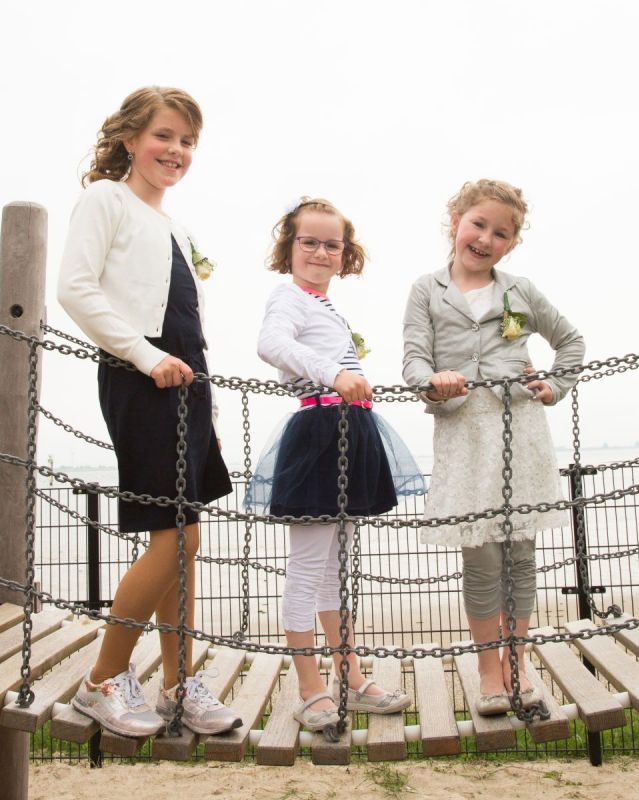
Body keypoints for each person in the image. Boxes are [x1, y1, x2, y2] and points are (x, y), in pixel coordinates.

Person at [57, 86, 239, 738]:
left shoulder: (176, 228)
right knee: (179, 537)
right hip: (142, 380)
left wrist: (205, 407)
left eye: (187, 141)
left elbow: (187, 321)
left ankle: (178, 684)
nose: (176, 150)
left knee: (184, 540)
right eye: (164, 135)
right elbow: (74, 289)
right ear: (130, 139)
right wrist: (142, 354)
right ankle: (103, 678)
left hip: (187, 386)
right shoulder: (105, 199)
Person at [402, 179, 585, 715]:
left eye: (499, 233)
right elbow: (412, 360)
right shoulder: (425, 289)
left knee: (521, 558)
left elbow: (571, 342)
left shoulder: (521, 290)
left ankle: (518, 664)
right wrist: (433, 380)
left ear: (511, 244)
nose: (485, 238)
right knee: (481, 559)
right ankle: (488, 671)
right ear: (455, 219)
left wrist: (554, 387)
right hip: (463, 434)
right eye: (478, 224)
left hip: (520, 431)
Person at [246, 198, 424, 731]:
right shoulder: (289, 297)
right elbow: (270, 344)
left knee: (334, 571)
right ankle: (309, 687)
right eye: (309, 242)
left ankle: (349, 677)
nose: (321, 252)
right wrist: (332, 373)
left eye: (332, 244)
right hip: (321, 432)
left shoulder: (322, 305)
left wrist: (342, 375)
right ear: (290, 248)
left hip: (350, 430)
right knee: (306, 571)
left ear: (345, 255)